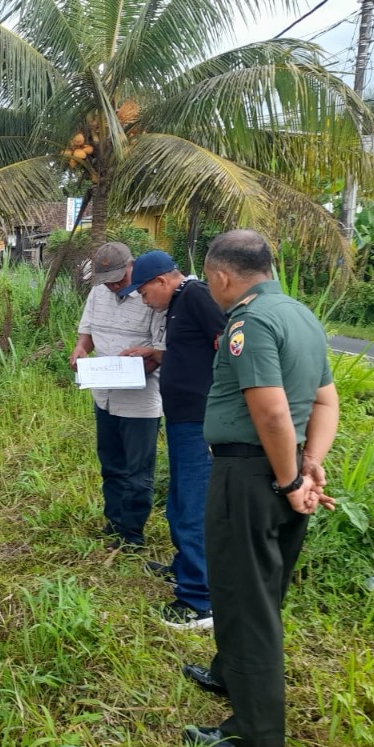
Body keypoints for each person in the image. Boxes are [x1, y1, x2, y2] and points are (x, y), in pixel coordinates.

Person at [181, 230, 339, 747]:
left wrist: (293, 479)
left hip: (250, 475)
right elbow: (326, 401)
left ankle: (253, 735)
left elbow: (269, 411)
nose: (211, 289)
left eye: (210, 280)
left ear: (222, 276)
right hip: (284, 466)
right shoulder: (301, 314)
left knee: (244, 598)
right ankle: (229, 674)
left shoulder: (248, 323)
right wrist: (308, 464)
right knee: (259, 586)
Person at [119, 250, 227, 631]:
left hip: (200, 420)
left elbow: (227, 343)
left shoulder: (195, 296)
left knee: (193, 506)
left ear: (163, 281)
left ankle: (200, 602)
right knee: (180, 500)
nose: (144, 300)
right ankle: (184, 568)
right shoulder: (179, 304)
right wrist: (155, 353)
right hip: (183, 418)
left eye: (145, 292)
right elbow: (193, 352)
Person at [69, 242, 165, 552]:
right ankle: (113, 524)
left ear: (132, 266)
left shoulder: (153, 297)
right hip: (104, 395)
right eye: (106, 279)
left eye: (119, 279)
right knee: (111, 464)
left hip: (140, 400)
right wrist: (81, 348)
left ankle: (131, 534)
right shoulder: (99, 293)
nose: (113, 285)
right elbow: (88, 333)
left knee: (137, 471)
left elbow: (158, 354)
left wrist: (136, 365)